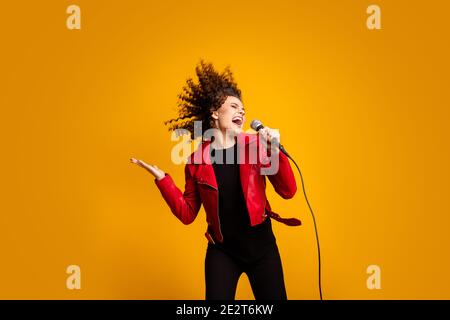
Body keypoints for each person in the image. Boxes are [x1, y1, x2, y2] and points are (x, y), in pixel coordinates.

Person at [131, 60, 301, 300]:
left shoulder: (255, 146)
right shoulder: (195, 161)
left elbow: (288, 191)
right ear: (214, 112)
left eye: (243, 108)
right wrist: (163, 180)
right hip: (223, 252)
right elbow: (187, 214)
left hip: (262, 249)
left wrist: (275, 150)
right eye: (233, 106)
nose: (241, 111)